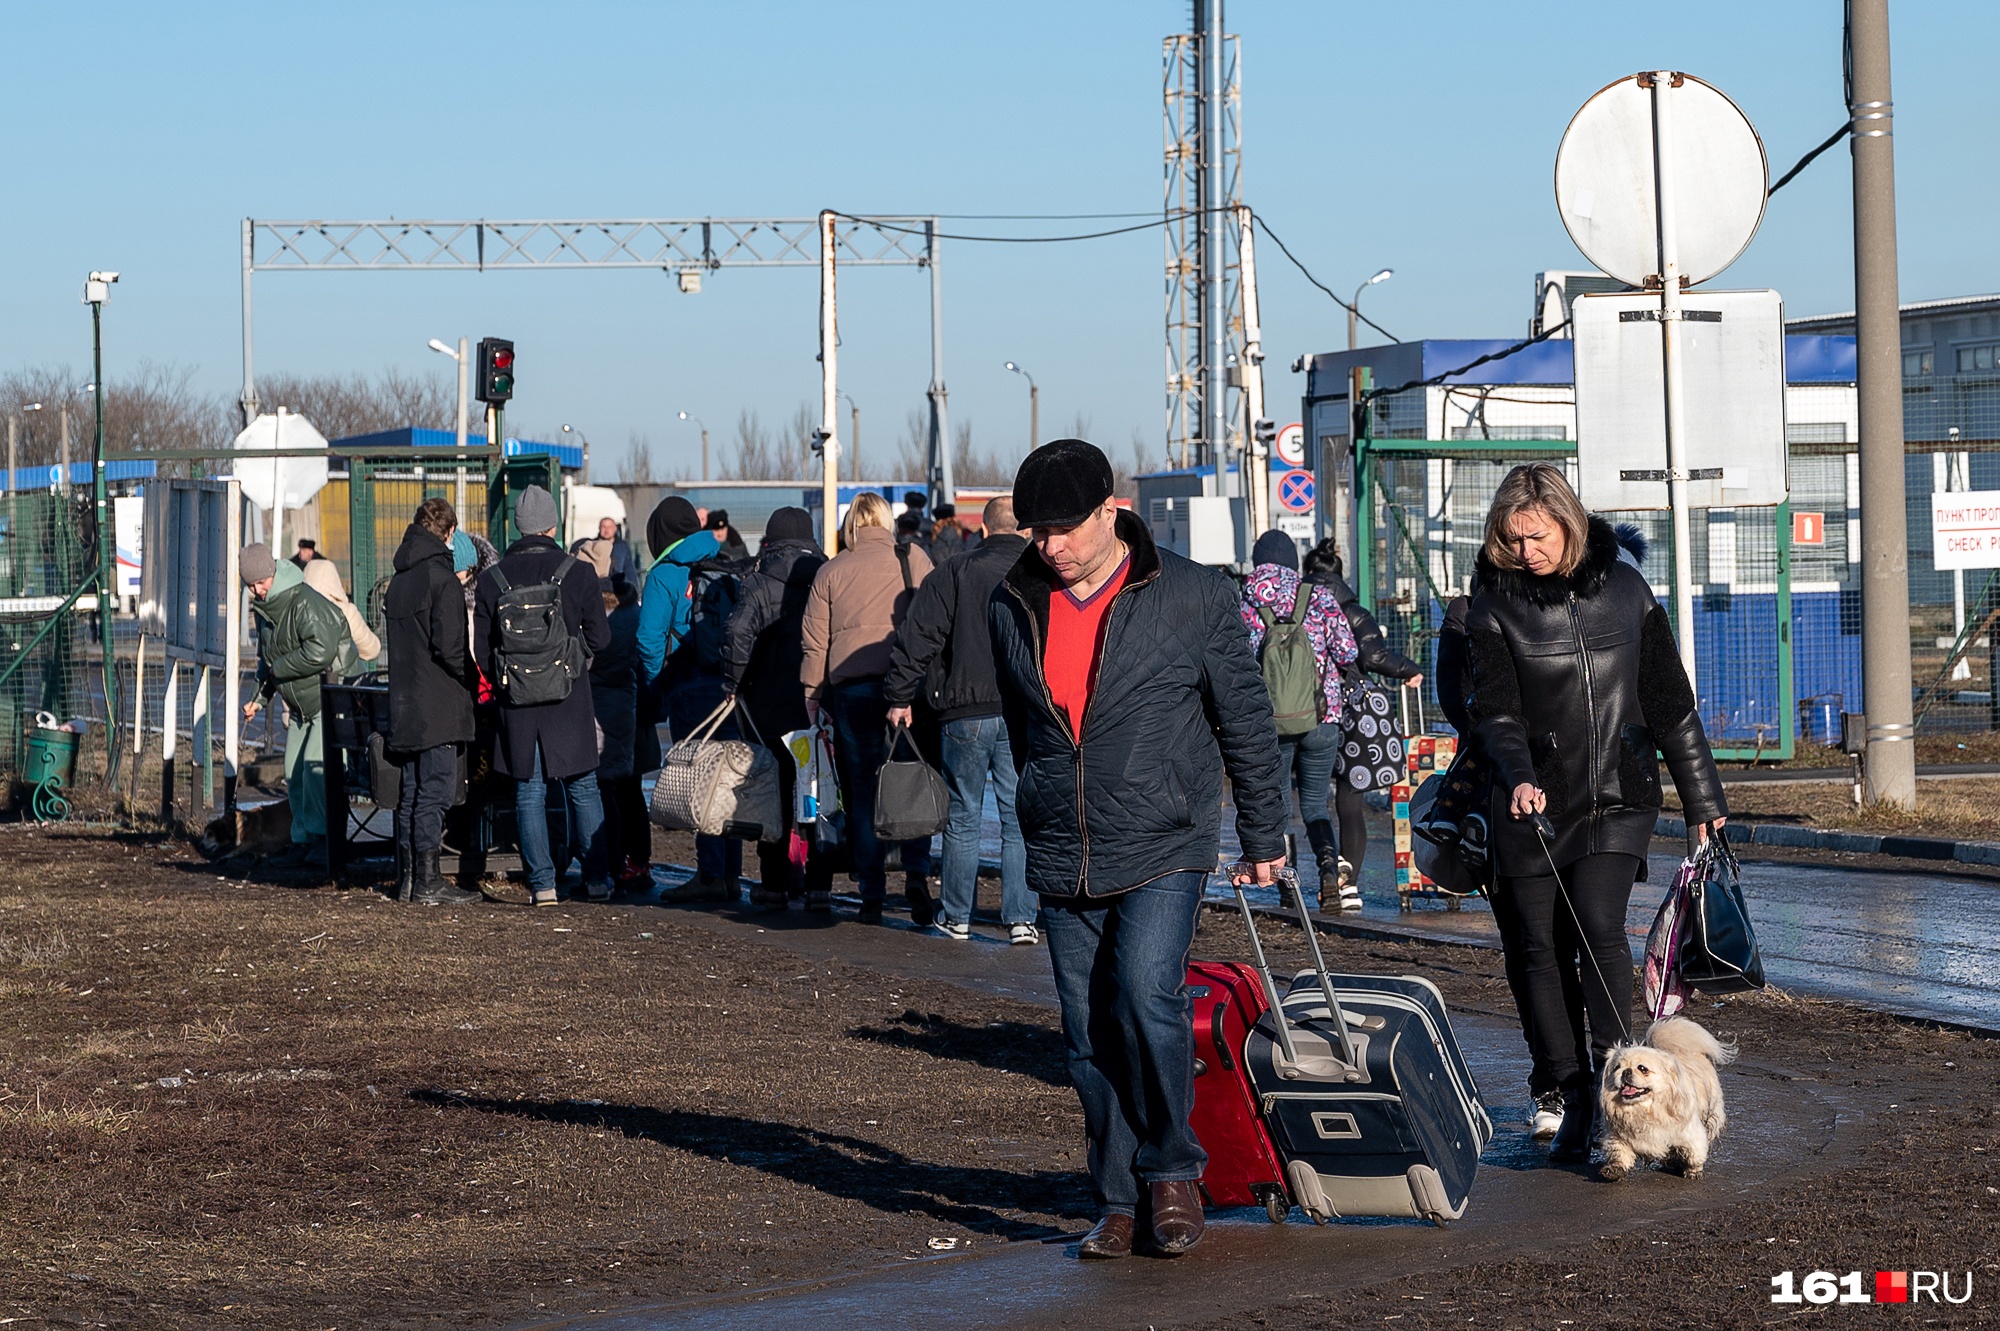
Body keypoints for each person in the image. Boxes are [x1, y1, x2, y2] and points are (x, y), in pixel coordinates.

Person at [988, 440, 1287, 1259]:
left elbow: (1246, 717)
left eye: (1062, 529)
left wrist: (1263, 831)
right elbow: (1026, 729)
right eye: (1035, 530)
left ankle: (1172, 1172)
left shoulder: (1190, 594)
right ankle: (1117, 1198)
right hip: (1062, 842)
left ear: (1110, 513)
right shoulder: (1011, 600)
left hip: (1166, 835)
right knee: (1087, 1034)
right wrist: (1043, 799)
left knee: (1146, 994)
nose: (1048, 546)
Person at [1466, 463, 1728, 1165]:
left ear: (1568, 522)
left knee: (1599, 923)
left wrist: (1703, 800)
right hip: (1533, 806)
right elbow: (1492, 708)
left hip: (1620, 791)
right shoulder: (1492, 602)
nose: (1527, 551)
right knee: (1538, 949)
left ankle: (1627, 1088)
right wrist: (1518, 776)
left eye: (1538, 534)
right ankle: (1575, 1096)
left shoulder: (1627, 588)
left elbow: (1670, 700)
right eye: (1513, 538)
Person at [884, 496, 1033, 942]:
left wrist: (898, 694)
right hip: (1020, 711)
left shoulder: (955, 571)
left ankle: (956, 916)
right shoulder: (1039, 573)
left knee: (963, 816)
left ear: (983, 530)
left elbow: (920, 635)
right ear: (1024, 530)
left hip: (962, 711)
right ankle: (1022, 919)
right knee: (1017, 816)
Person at [800, 491, 936, 925]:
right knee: (911, 779)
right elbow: (935, 619)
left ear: (850, 527)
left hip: (852, 690)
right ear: (885, 521)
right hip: (907, 687)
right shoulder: (912, 559)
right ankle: (916, 871)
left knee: (861, 791)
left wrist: (811, 693)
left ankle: (871, 893)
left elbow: (815, 641)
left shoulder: (831, 570)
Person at [474, 485, 613, 907]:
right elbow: (601, 638)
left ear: (517, 525)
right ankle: (596, 880)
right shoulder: (578, 572)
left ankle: (543, 885)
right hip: (568, 698)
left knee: (528, 791)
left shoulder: (491, 579)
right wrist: (573, 659)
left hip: (517, 701)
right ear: (553, 525)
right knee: (583, 789)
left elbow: (482, 651)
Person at [1240, 530, 1360, 911]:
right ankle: (1328, 872)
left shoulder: (1244, 602)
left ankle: (1286, 888)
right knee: (1315, 804)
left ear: (1258, 562)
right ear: (1292, 561)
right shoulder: (1319, 596)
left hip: (1268, 720)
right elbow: (1347, 651)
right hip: (1321, 716)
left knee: (1276, 803)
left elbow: (1235, 662)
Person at [1299, 538, 1424, 896]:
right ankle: (1348, 885)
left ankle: (1290, 884)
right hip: (1347, 713)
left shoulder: (1292, 604)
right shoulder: (1353, 611)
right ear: (1339, 575)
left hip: (1297, 709)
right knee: (1349, 797)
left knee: (1301, 800)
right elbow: (1373, 658)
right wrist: (1409, 669)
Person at [722, 506, 830, 912]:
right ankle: (819, 884)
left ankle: (775, 884)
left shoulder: (758, 581)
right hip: (816, 702)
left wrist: (733, 681)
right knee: (819, 793)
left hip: (767, 706)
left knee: (774, 795)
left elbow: (736, 632)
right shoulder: (827, 574)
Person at [637, 496, 740, 903]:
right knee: (726, 780)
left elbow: (648, 638)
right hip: (726, 684)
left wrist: (655, 682)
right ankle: (730, 874)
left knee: (699, 780)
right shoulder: (724, 559)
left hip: (686, 685)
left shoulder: (664, 573)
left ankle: (710, 873)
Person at [383, 499, 482, 906]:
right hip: (438, 703)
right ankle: (428, 880)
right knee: (435, 792)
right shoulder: (441, 579)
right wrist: (473, 683)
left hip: (404, 703)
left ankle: (408, 877)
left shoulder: (399, 580)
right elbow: (451, 648)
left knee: (411, 791)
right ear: (449, 531)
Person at [240, 542, 349, 870]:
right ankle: (303, 838)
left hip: (324, 701)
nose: (258, 591)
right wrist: (259, 699)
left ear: (272, 573)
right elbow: (266, 660)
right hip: (301, 705)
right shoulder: (265, 613)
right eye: (251, 585)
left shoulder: (302, 602)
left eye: (261, 582)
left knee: (316, 773)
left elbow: (322, 651)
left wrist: (280, 669)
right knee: (295, 774)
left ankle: (325, 839)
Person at [591, 573, 655, 895]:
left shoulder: (595, 620)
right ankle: (640, 861)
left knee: (604, 790)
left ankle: (612, 862)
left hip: (598, 708)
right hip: (632, 707)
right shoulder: (637, 615)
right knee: (631, 792)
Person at [300, 557, 381, 673]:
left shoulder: (295, 610)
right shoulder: (345, 612)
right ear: (334, 581)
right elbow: (372, 650)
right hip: (342, 682)